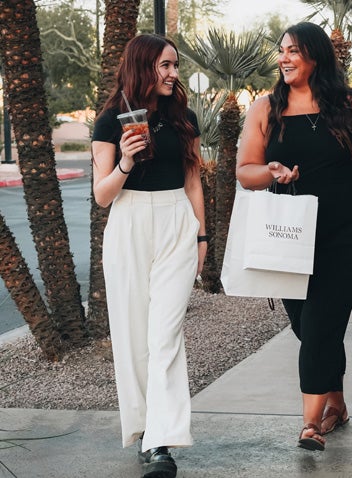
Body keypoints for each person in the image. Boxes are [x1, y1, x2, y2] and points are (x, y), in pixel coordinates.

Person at [235, 22, 352, 452]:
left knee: (321, 324)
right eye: (282, 51)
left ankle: (309, 425)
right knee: (309, 328)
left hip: (348, 237)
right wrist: (270, 171)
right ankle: (338, 404)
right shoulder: (266, 108)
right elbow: (245, 171)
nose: (284, 58)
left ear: (316, 56)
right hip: (289, 239)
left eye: (294, 51)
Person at [91, 34, 206, 478]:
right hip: (129, 225)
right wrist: (124, 162)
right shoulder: (108, 122)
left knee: (165, 335)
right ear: (142, 67)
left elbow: (194, 180)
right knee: (134, 335)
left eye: (175, 65)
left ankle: (162, 441)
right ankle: (143, 429)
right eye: (166, 66)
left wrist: (201, 237)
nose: (173, 73)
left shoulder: (183, 118)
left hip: (177, 220)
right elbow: (102, 196)